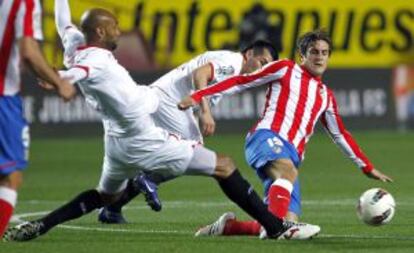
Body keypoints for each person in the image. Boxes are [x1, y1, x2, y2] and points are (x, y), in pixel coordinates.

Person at [3, 1, 320, 242]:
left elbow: (63, 24)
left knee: (107, 194)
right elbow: (199, 74)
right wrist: (59, 79)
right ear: (100, 32)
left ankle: (47, 223)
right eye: (113, 25)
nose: (119, 29)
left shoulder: (76, 43)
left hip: (117, 138)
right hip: (152, 117)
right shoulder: (94, 60)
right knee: (221, 164)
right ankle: (277, 227)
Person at [178, 29, 393, 238]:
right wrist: (200, 95)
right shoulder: (285, 68)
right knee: (286, 179)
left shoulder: (326, 96)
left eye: (324, 53)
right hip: (265, 138)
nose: (319, 57)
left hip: (292, 156)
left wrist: (367, 166)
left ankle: (229, 227)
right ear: (302, 55)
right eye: (314, 52)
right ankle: (275, 229)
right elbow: (242, 81)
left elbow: (340, 134)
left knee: (285, 221)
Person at [98, 40, 279, 224]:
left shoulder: (236, 69)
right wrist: (205, 111)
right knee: (192, 151)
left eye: (266, 67)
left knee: (178, 154)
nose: (261, 69)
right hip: (170, 100)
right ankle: (147, 177)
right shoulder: (232, 62)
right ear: (248, 54)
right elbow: (199, 74)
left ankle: (113, 208)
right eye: (261, 62)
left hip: (164, 99)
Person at [0, 0, 76, 237]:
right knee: (9, 178)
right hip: (2, 97)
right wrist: (59, 82)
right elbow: (28, 51)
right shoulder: (24, 2)